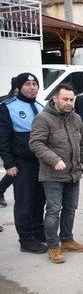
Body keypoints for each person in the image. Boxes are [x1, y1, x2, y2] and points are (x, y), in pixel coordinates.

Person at [29, 83, 83, 264]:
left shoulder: (76, 118)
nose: (69, 102)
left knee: (70, 208)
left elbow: (81, 142)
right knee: (54, 210)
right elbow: (36, 143)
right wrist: (55, 160)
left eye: (71, 99)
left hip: (73, 173)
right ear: (55, 98)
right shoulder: (43, 118)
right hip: (52, 175)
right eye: (65, 99)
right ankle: (53, 247)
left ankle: (67, 240)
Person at [0, 72, 47, 253]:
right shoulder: (7, 107)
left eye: (34, 84)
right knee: (24, 202)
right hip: (22, 163)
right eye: (27, 84)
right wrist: (9, 164)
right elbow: (3, 138)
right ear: (19, 87)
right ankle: (26, 239)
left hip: (40, 162)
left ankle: (37, 230)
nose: (32, 87)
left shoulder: (40, 107)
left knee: (39, 199)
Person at [0, 76, 19, 208]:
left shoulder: (3, 99)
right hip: (9, 143)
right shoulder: (7, 102)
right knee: (14, 169)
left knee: (16, 170)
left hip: (14, 143)